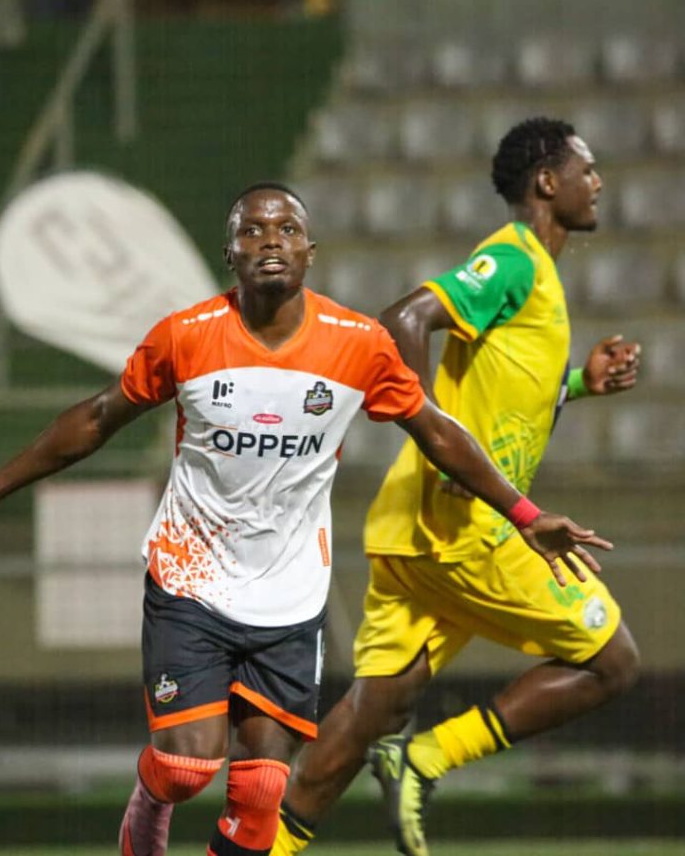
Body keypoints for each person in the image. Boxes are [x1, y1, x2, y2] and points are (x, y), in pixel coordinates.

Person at [0, 182, 611, 856]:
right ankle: (149, 804)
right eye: (252, 230)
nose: (271, 239)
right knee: (185, 767)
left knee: (262, 793)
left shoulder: (357, 344)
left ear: (310, 251)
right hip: (190, 581)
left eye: (287, 228)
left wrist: (524, 513)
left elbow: (437, 430)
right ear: (230, 253)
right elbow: (97, 417)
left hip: (290, 598)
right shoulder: (186, 336)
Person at [272, 118, 642, 856]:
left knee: (369, 712)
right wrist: (434, 438)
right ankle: (430, 757)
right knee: (614, 661)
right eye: (587, 168)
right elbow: (403, 319)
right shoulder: (514, 259)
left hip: (411, 526)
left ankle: (263, 847)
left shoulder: (535, 276)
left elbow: (502, 394)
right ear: (548, 182)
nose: (597, 181)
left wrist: (578, 383)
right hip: (465, 530)